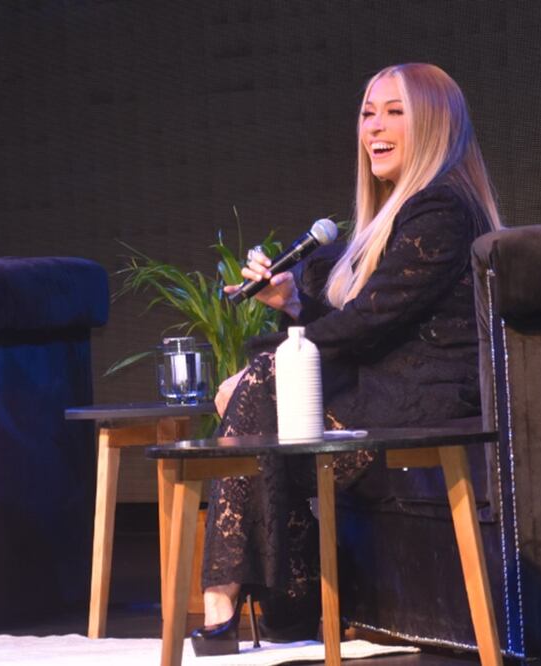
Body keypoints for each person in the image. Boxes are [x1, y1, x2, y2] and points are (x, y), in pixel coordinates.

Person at [192, 63, 503, 656]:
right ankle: (264, 608)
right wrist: (291, 302)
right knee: (264, 390)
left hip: (426, 398)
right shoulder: (391, 216)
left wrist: (260, 365)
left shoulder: (440, 211)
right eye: (367, 112)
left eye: (394, 112)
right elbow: (352, 328)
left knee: (260, 385)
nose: (375, 127)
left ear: (435, 124)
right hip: (381, 386)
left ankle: (228, 606)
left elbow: (366, 326)